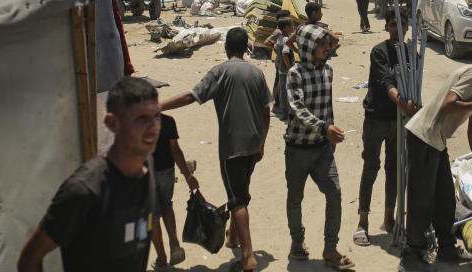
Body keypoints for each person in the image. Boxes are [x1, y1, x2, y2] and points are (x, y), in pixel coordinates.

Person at [17, 77, 160, 272]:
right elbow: (29, 259)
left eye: (156, 116)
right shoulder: (84, 189)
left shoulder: (148, 167)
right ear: (112, 124)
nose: (154, 127)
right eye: (141, 119)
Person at [160, 28, 272, 272]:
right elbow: (266, 112)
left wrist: (158, 105)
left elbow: (192, 96)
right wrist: (262, 143)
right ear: (246, 48)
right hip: (253, 144)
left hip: (233, 148)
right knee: (241, 190)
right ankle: (233, 237)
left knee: (237, 199)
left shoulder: (219, 72)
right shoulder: (257, 72)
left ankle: (247, 257)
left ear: (225, 48)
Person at [400, 50, 472, 271]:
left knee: (445, 199)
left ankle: (447, 248)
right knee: (421, 200)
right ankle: (411, 255)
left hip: (437, 142)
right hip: (424, 137)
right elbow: (448, 105)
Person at [284, 24, 354, 270]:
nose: (327, 48)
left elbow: (327, 107)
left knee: (334, 195)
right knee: (295, 198)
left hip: (322, 148)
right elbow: (298, 109)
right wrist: (325, 128)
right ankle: (297, 243)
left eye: (327, 44)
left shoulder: (328, 71)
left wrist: (329, 133)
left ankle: (330, 248)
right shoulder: (295, 73)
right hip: (297, 148)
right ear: (309, 47)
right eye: (322, 44)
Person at [353, 8, 419, 247]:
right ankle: (362, 221)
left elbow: (415, 83)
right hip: (376, 118)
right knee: (371, 167)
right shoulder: (379, 52)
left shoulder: (412, 53)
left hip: (398, 122)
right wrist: (401, 101)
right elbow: (385, 81)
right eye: (393, 25)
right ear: (386, 27)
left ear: (407, 27)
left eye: (401, 25)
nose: (397, 30)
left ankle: (389, 218)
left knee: (395, 169)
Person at [149, 113, 199, 270]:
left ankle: (162, 258)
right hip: (167, 172)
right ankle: (174, 242)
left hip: (145, 174)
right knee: (167, 205)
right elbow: (175, 150)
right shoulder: (168, 121)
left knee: (152, 216)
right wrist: (187, 175)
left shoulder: (136, 121)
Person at [273, 17, 295, 120]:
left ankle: (284, 114)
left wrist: (278, 63)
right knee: (290, 91)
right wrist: (289, 68)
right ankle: (290, 113)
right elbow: (285, 54)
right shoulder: (286, 39)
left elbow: (277, 50)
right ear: (286, 28)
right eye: (292, 25)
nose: (293, 27)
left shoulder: (280, 38)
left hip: (281, 69)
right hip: (286, 70)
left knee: (282, 92)